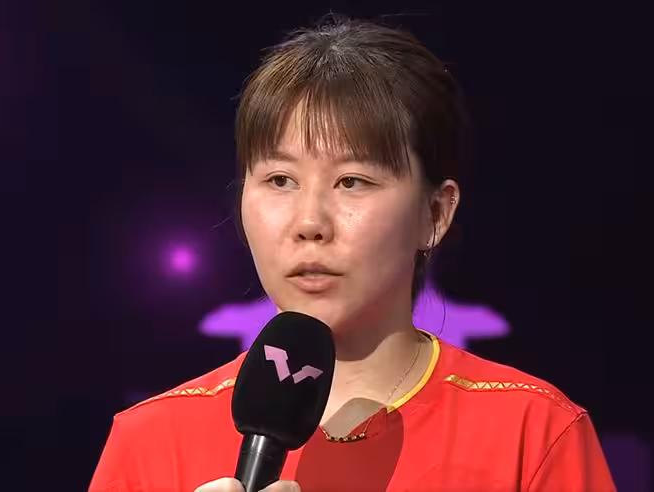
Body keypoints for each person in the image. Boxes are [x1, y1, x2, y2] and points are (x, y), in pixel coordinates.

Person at [90, 16, 616, 492]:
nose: (309, 223)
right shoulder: (150, 444)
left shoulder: (533, 434)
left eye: (352, 181)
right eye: (280, 180)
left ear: (435, 213)